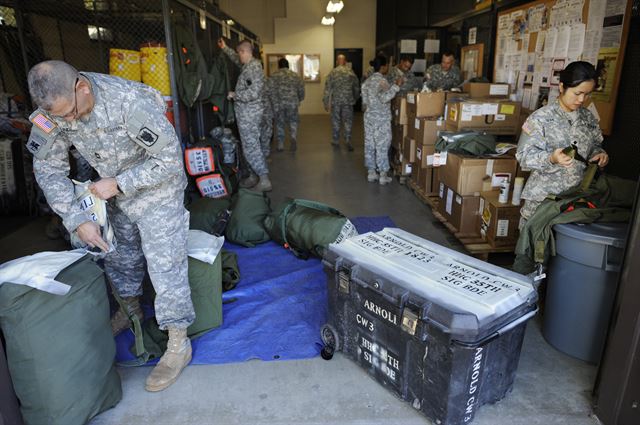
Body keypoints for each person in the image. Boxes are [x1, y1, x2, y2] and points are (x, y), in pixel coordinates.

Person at [26, 60, 195, 392]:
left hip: (155, 188)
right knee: (120, 256)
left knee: (165, 263)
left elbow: (170, 160)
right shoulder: (57, 112)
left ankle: (178, 341)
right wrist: (76, 221)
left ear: (82, 87)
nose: (69, 121)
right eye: (62, 117)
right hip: (110, 190)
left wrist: (119, 183)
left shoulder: (129, 101)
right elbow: (47, 169)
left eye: (72, 113)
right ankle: (129, 309)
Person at [516, 61, 609, 225]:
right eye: (577, 93)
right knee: (536, 248)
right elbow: (523, 156)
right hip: (542, 202)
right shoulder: (540, 118)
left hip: (575, 202)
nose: (582, 99)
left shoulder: (588, 117)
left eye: (587, 94)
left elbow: (595, 144)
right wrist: (551, 158)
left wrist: (598, 154)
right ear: (561, 87)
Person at [218, 38, 271, 191]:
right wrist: (225, 48)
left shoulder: (253, 68)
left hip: (250, 115)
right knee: (250, 145)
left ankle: (264, 179)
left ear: (245, 52)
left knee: (251, 147)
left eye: (239, 53)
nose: (238, 56)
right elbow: (236, 60)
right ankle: (254, 176)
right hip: (247, 114)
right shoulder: (249, 65)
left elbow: (254, 93)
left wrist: (235, 95)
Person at [361, 55, 401, 185]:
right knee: (382, 145)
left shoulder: (366, 82)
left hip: (369, 118)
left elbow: (364, 103)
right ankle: (383, 175)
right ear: (383, 67)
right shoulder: (382, 81)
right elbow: (385, 98)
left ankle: (371, 173)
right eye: (387, 66)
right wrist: (396, 86)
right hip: (381, 119)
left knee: (370, 144)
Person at [323, 54, 360, 151]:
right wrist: (355, 98)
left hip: (336, 102)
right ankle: (347, 140)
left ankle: (335, 140)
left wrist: (326, 103)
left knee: (336, 121)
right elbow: (356, 87)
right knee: (348, 121)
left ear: (337, 61)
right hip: (348, 101)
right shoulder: (350, 72)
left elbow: (327, 89)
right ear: (345, 61)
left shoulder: (332, 73)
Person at [268, 58, 305, 152]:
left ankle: (280, 144)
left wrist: (272, 103)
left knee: (280, 123)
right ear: (288, 65)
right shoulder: (295, 75)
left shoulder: (273, 76)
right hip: (292, 103)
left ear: (279, 65)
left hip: (279, 104)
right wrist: (300, 99)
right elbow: (301, 89)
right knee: (293, 121)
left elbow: (269, 91)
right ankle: (293, 137)